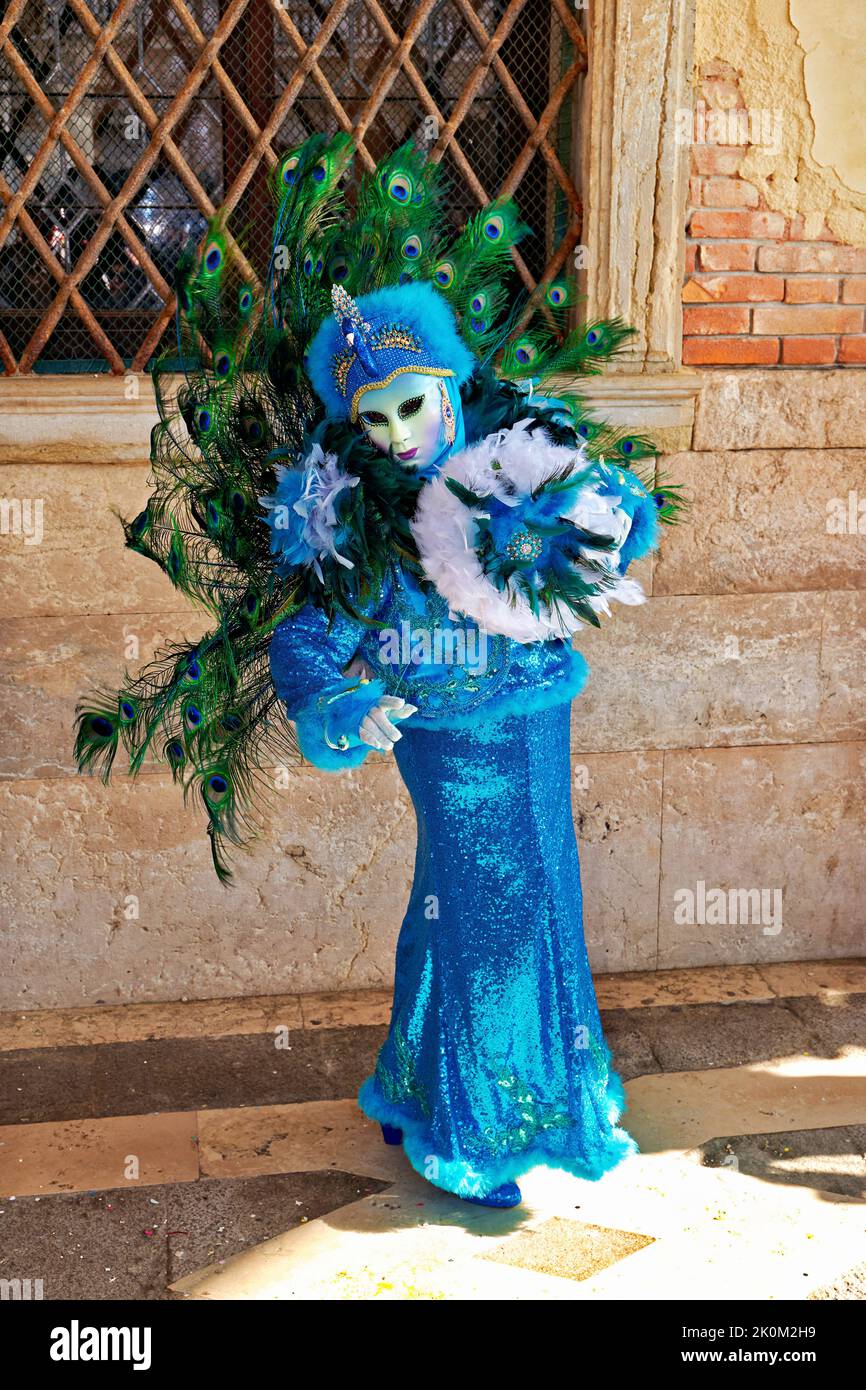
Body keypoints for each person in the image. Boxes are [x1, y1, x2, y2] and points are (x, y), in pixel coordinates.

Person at [74, 133, 683, 1210]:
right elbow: (307, 637)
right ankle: (485, 1131)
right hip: (445, 740)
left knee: (501, 901)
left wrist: (602, 521)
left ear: (453, 386)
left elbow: (608, 531)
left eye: (415, 403)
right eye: (375, 417)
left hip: (537, 717)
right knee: (498, 909)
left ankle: (426, 1084)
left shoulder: (514, 466)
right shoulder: (359, 523)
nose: (400, 433)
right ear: (351, 425)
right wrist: (345, 697)